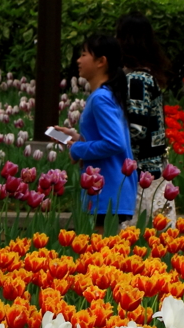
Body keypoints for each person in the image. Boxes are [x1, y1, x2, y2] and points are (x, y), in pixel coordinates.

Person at [55, 35, 137, 233]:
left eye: (84, 54)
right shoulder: (108, 95)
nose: (78, 60)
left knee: (102, 258)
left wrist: (78, 149)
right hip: (111, 188)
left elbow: (115, 143)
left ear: (101, 62)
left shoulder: (101, 98)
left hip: (107, 189)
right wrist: (78, 138)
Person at [117, 12, 175, 228]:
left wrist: (107, 142)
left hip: (142, 176)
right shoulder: (148, 76)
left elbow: (137, 130)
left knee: (139, 240)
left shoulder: (137, 80)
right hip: (155, 171)